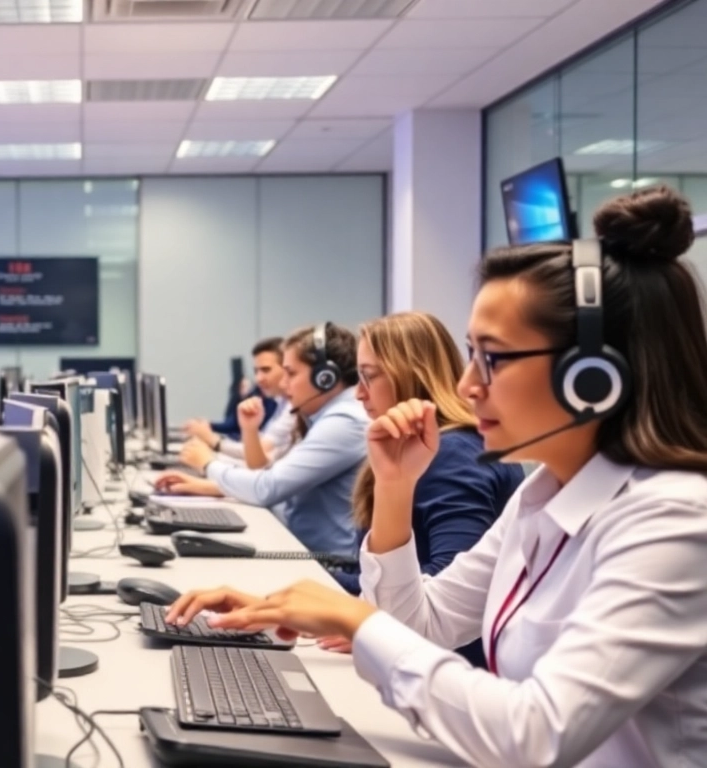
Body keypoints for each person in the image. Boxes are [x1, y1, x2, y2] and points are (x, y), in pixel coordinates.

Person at [167, 186, 707, 766]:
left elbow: (536, 736)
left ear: (592, 378)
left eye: (492, 359)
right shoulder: (543, 493)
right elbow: (422, 625)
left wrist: (352, 616)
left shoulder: (675, 521)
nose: (467, 385)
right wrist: (394, 490)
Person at [318, 311, 524, 666]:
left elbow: (443, 586)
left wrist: (355, 617)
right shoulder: (423, 448)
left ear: (410, 374)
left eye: (368, 377)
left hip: (453, 665)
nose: (359, 394)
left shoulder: (455, 455)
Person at [158, 323, 368, 557]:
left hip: (326, 562)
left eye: (290, 373)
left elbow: (269, 488)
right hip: (301, 546)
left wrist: (209, 465)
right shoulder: (324, 416)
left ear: (325, 378)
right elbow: (281, 484)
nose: (283, 383)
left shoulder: (345, 421)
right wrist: (211, 487)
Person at [184, 337, 296, 467]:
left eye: (266, 370)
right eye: (256, 371)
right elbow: (258, 460)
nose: (259, 378)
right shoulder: (281, 403)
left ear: (287, 369)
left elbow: (261, 459)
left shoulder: (292, 410)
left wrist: (213, 444)